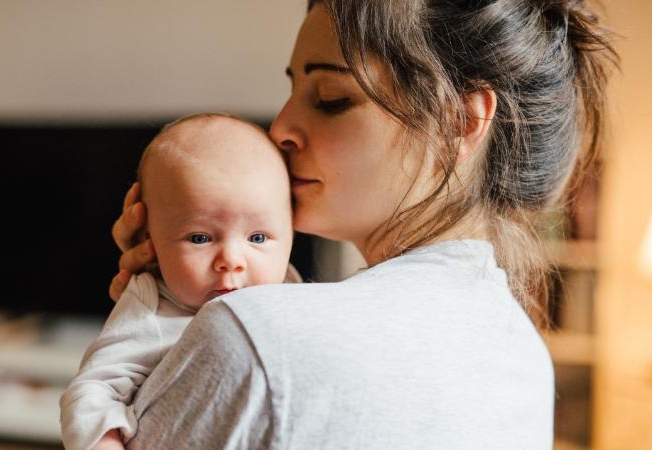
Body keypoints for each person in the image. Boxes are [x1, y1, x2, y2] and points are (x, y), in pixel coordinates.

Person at [108, 0, 617, 448]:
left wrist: (151, 324)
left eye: (330, 99)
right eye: (293, 89)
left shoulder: (255, 336)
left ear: (460, 121)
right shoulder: (524, 356)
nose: (280, 127)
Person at [60, 113, 298, 450]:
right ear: (150, 241)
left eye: (258, 237)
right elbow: (93, 391)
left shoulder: (292, 288)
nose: (232, 259)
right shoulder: (151, 305)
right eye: (200, 238)